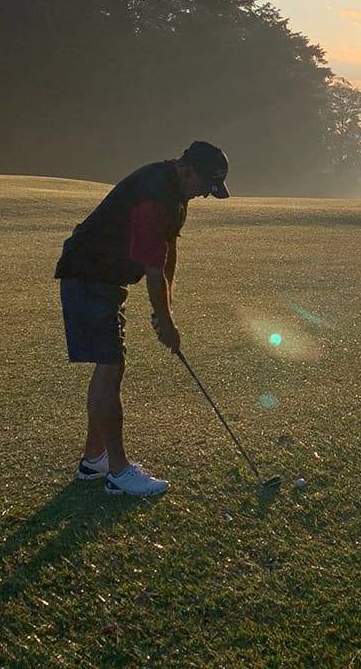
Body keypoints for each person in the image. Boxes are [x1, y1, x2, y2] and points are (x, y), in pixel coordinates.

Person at [55, 141, 230, 496]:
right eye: (204, 186)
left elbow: (168, 253)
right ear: (187, 170)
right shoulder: (154, 194)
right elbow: (152, 270)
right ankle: (118, 473)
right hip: (88, 274)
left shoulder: (176, 195)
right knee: (110, 365)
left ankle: (94, 459)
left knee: (112, 365)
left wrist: (166, 309)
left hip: (105, 277)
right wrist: (164, 323)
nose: (204, 195)